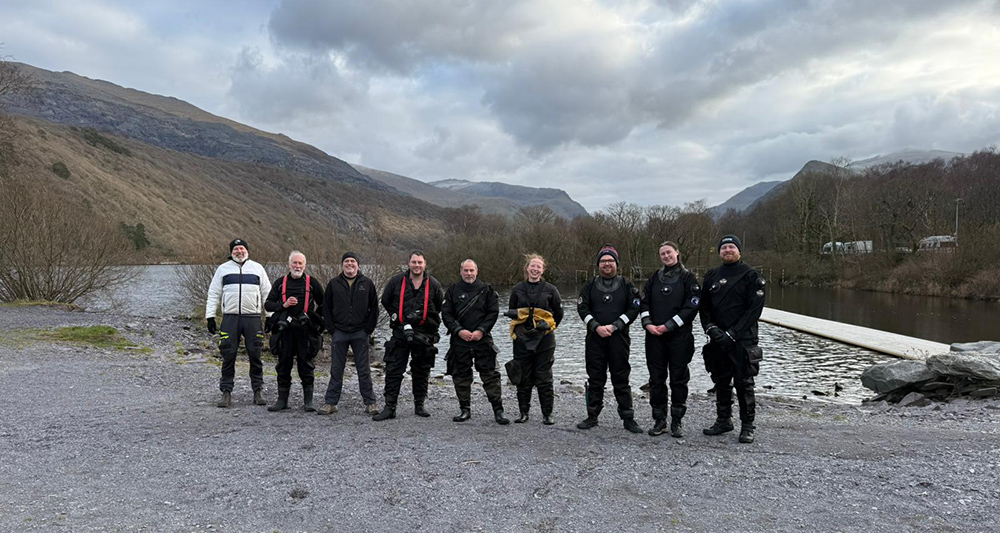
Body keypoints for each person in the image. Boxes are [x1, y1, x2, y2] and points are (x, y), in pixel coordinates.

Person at [700, 235, 766, 443]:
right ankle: (723, 420)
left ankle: (747, 426)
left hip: (742, 339)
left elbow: (753, 311)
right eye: (724, 247)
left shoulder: (752, 275)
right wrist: (710, 328)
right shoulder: (712, 275)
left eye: (731, 247)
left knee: (744, 382)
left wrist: (733, 333)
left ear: (739, 251)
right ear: (719, 252)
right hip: (718, 339)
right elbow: (704, 307)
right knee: (720, 381)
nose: (728, 250)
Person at [575, 244, 642, 433]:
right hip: (595, 338)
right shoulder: (589, 286)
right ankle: (592, 416)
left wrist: (615, 326)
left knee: (621, 377)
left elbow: (634, 308)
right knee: (595, 377)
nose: (607, 264)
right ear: (598, 265)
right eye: (603, 261)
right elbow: (582, 308)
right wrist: (596, 326)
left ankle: (628, 418)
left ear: (616, 264)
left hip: (618, 338)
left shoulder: (627, 286)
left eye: (610, 261)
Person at [373, 251, 444, 421]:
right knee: (393, 370)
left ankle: (419, 405)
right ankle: (390, 407)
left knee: (422, 370)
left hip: (424, 333)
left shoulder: (434, 284)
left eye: (420, 262)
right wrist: (397, 318)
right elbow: (386, 301)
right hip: (400, 333)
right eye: (414, 262)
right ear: (409, 263)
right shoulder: (396, 281)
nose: (417, 265)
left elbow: (438, 305)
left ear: (425, 264)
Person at [641, 241, 700, 437]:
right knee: (656, 380)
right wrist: (648, 323)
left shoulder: (688, 278)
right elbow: (644, 302)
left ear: (677, 253)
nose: (666, 256)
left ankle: (677, 421)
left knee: (678, 379)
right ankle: (659, 420)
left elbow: (692, 307)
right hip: (654, 336)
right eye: (662, 254)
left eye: (669, 252)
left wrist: (670, 325)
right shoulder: (654, 278)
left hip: (679, 337)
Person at [205, 238, 272, 408]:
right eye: (236, 249)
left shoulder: (257, 268)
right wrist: (210, 316)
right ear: (231, 252)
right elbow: (214, 293)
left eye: (242, 248)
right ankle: (226, 393)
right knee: (228, 355)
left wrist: (270, 315)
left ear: (247, 250)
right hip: (230, 318)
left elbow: (267, 294)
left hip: (253, 318)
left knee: (255, 355)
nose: (239, 251)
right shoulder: (223, 269)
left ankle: (258, 391)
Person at [441, 259, 508, 425]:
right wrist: (458, 330)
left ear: (477, 271)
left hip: (483, 340)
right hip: (459, 340)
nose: (469, 273)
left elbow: (493, 313)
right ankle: (465, 410)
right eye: (466, 270)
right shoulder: (452, 291)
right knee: (460, 376)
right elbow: (446, 314)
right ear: (461, 271)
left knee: (491, 376)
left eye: (471, 270)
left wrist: (481, 331)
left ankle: (498, 411)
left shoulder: (487, 290)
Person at [318, 252, 380, 416]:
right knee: (337, 369)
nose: (350, 264)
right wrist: (331, 329)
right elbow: (326, 308)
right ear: (342, 264)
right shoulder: (333, 284)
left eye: (353, 261)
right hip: (339, 332)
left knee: (364, 369)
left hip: (360, 332)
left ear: (358, 265)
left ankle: (370, 403)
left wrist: (369, 329)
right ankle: (330, 403)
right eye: (346, 261)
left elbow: (374, 307)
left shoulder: (367, 283)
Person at [263, 250, 325, 412]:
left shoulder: (312, 283)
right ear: (289, 265)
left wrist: (313, 318)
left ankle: (308, 402)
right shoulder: (279, 283)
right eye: (295, 263)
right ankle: (282, 400)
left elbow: (324, 304)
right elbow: (268, 304)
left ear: (305, 266)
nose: (297, 266)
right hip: (285, 331)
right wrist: (282, 306)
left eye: (300, 263)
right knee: (283, 365)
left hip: (305, 332)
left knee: (306, 365)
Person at [506, 254, 563, 425]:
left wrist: (545, 329)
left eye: (539, 267)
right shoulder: (517, 289)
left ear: (543, 270)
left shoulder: (551, 290)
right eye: (533, 266)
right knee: (523, 376)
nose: (535, 269)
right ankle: (524, 413)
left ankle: (547, 414)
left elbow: (558, 315)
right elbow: (512, 311)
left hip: (544, 339)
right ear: (527, 268)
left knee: (544, 376)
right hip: (522, 339)